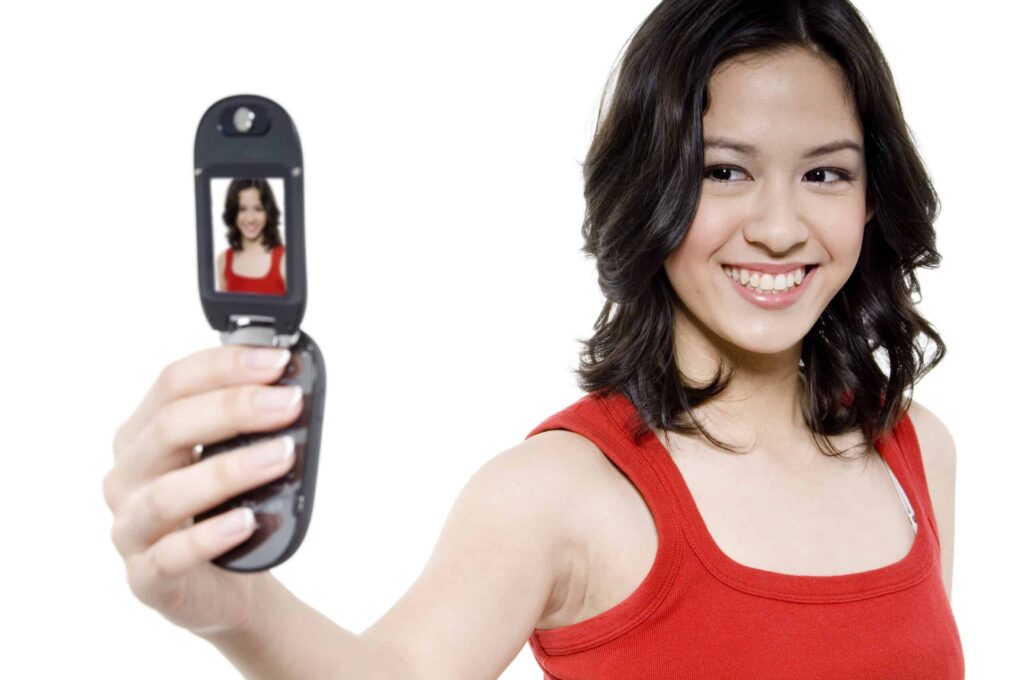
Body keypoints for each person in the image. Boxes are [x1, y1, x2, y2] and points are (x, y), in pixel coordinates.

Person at [103, 0, 964, 677]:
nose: (780, 228)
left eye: (825, 173)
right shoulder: (555, 493)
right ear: (650, 186)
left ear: (872, 197)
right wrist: (239, 612)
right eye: (723, 170)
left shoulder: (918, 453)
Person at [216, 178, 287, 296]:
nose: (250, 219)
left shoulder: (285, 259)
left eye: (258, 209)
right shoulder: (223, 260)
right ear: (233, 212)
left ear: (268, 212)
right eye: (242, 209)